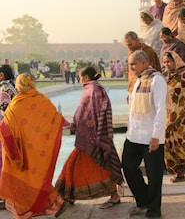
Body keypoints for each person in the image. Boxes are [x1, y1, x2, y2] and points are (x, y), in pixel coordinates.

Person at [0, 73, 69, 218]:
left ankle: (25, 212)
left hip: (22, 152)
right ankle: (55, 203)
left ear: (18, 85)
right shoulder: (42, 99)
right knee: (37, 179)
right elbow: (56, 119)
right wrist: (69, 124)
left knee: (23, 181)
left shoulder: (16, 104)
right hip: (38, 151)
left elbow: (5, 127)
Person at [55, 66, 123, 208]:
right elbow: (84, 110)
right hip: (85, 134)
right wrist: (77, 123)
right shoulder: (91, 88)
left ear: (86, 77)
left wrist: (93, 130)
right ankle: (70, 195)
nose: (80, 80)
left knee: (83, 164)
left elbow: (98, 111)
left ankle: (70, 194)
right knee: (87, 166)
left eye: (80, 78)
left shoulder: (93, 90)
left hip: (91, 136)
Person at [122, 50, 167, 218]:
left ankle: (154, 210)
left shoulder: (157, 80)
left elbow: (161, 110)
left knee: (154, 175)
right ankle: (144, 200)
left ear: (144, 62)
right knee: (127, 166)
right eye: (130, 64)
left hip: (151, 136)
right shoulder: (139, 81)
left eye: (133, 64)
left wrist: (156, 135)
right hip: (134, 135)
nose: (131, 67)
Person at [162, 51, 185, 183]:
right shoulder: (166, 76)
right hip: (167, 115)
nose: (167, 65)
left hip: (180, 116)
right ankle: (182, 168)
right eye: (165, 62)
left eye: (169, 62)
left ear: (176, 60)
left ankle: (184, 166)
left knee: (174, 141)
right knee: (167, 143)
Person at [0, 64, 17, 210]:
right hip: (12, 130)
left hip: (4, 130)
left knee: (2, 161)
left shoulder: (4, 90)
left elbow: (4, 111)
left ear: (1, 75)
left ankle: (4, 196)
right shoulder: (12, 87)